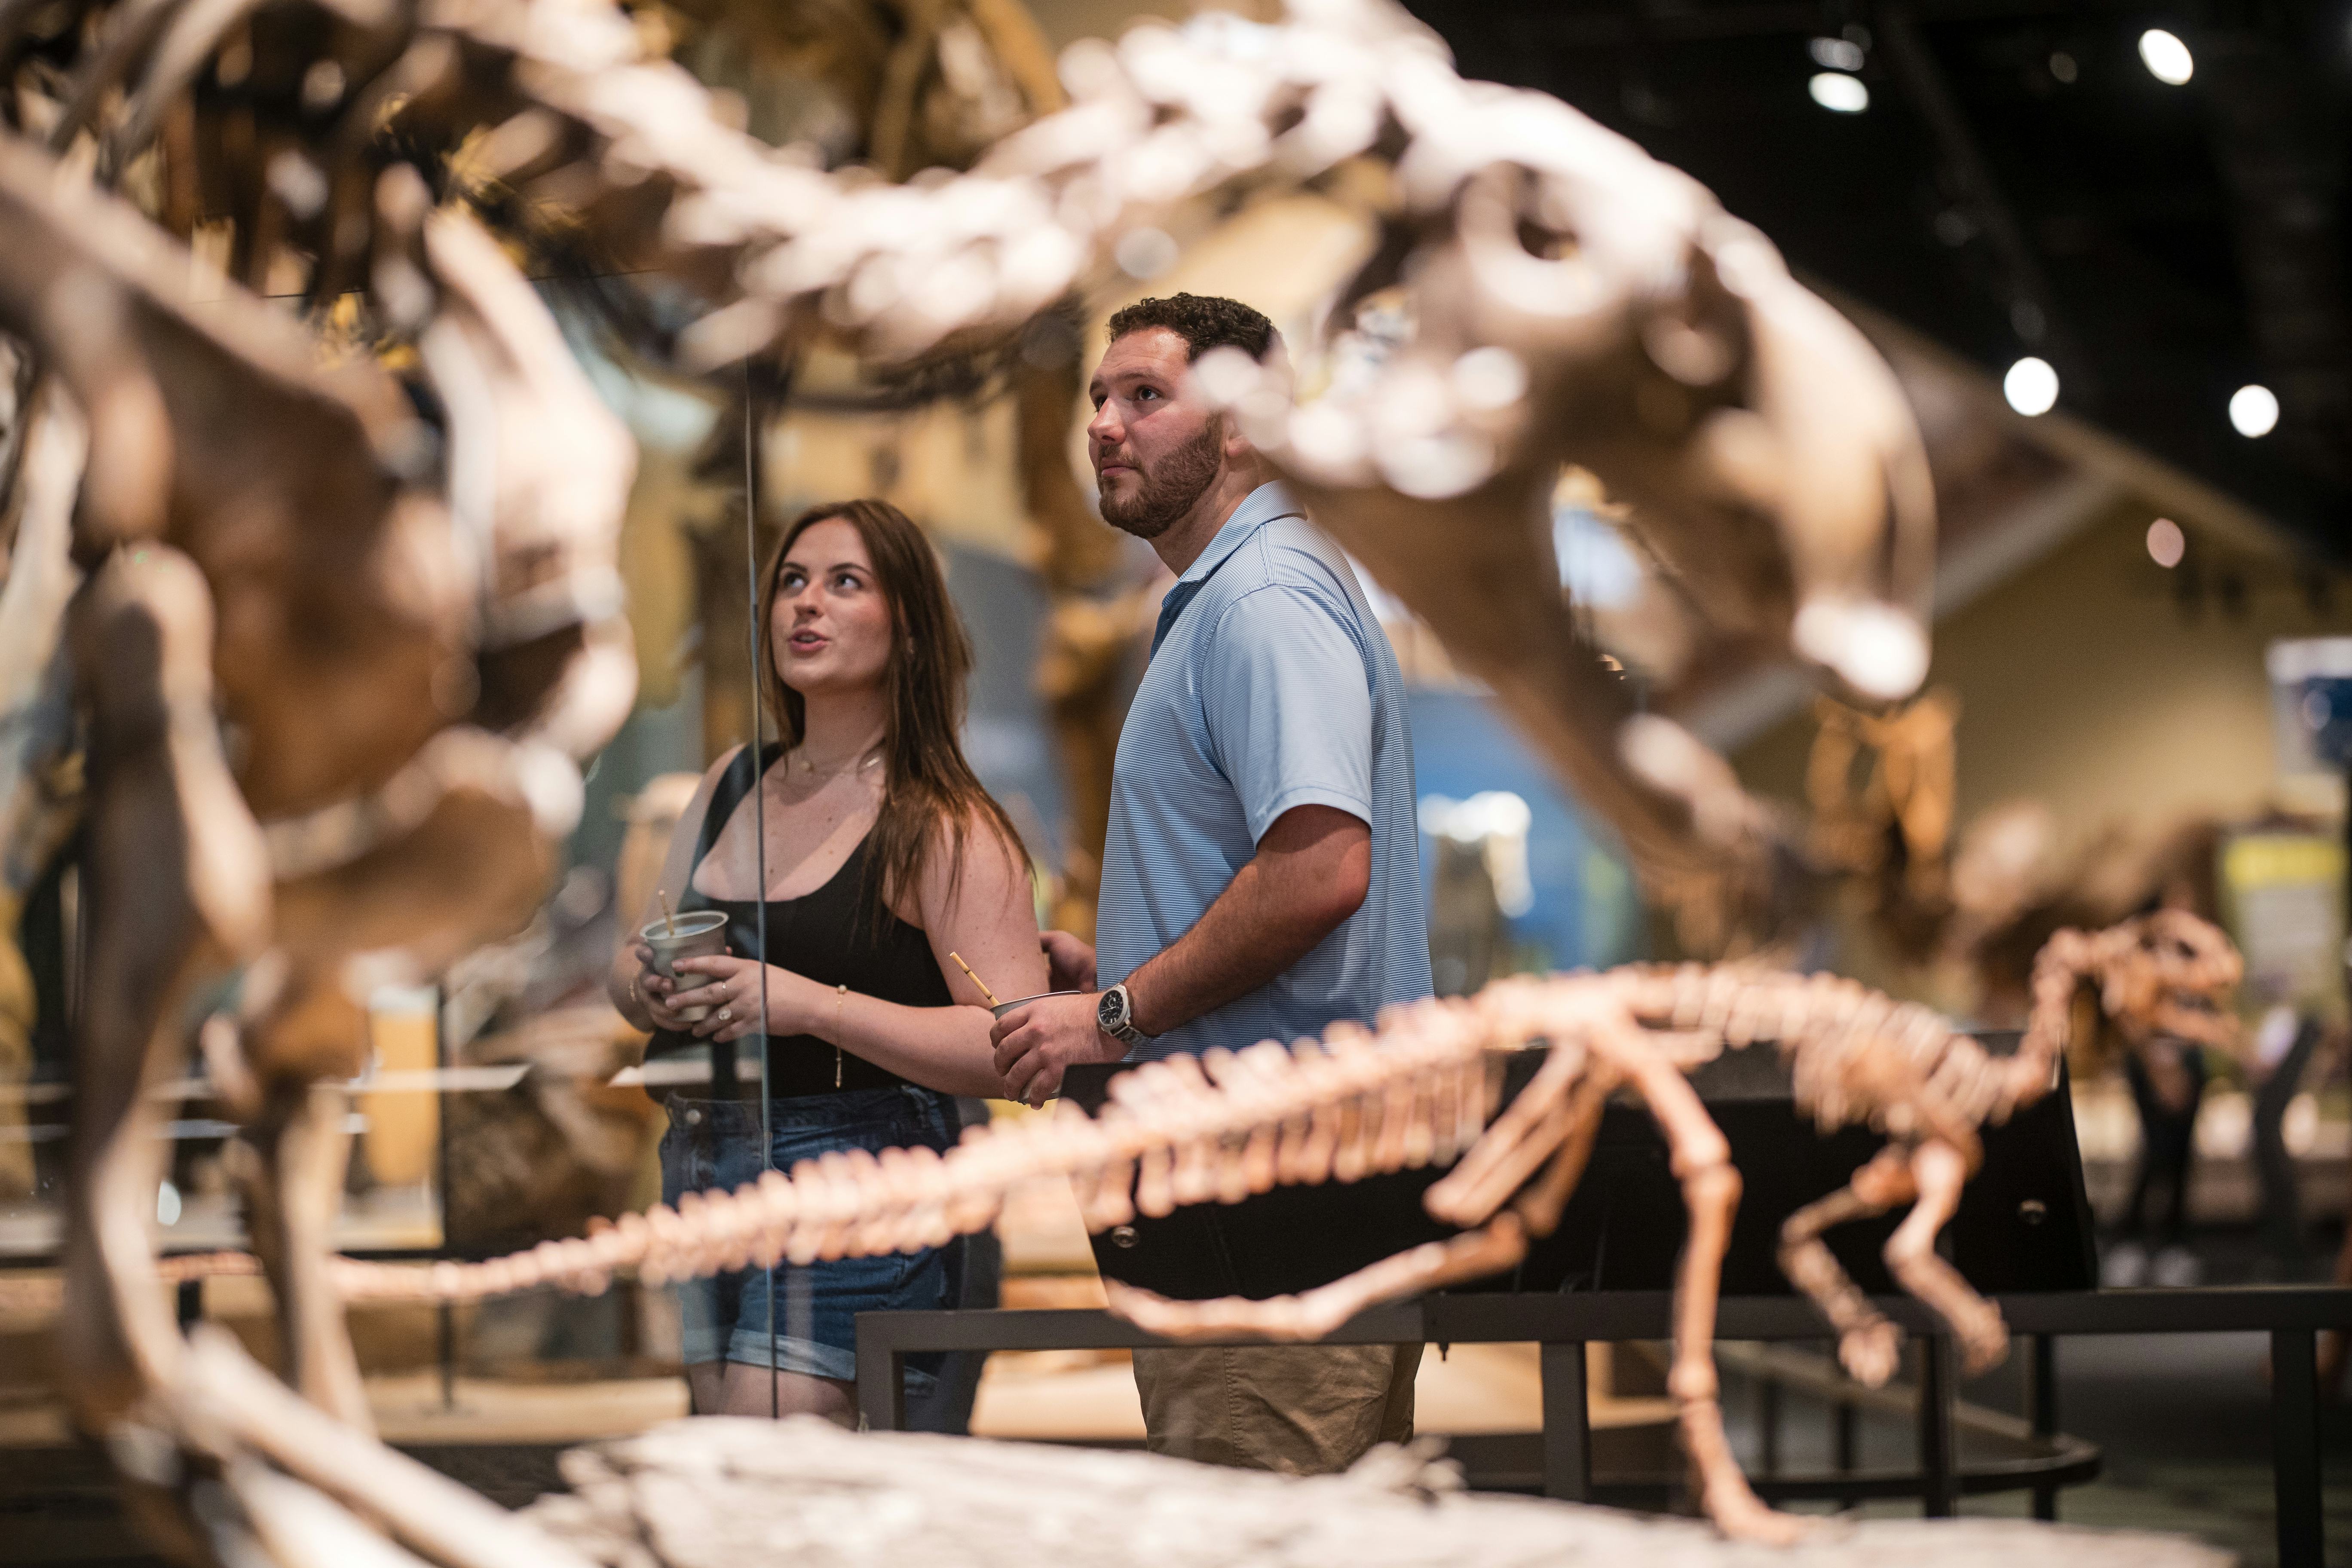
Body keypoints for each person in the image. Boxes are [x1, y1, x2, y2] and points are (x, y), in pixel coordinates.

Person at [989, 294, 1434, 1474]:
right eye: (1099, 399)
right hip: (1258, 1183)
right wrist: (1122, 968)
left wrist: (1121, 1013)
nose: (1104, 426)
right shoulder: (1225, 598)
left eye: (1146, 396)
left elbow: (1324, 867)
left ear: (1242, 424)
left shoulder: (1264, 601)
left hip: (1276, 1195)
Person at [609, 497, 1045, 1422]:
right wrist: (648, 984)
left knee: (763, 1469)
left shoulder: (941, 821)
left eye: (845, 583)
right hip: (699, 1158)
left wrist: (809, 1005)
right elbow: (631, 962)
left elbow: (1013, 1046)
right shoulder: (732, 781)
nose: (806, 605)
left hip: (858, 1166)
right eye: (793, 583)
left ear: (912, 628)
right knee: (726, 1488)